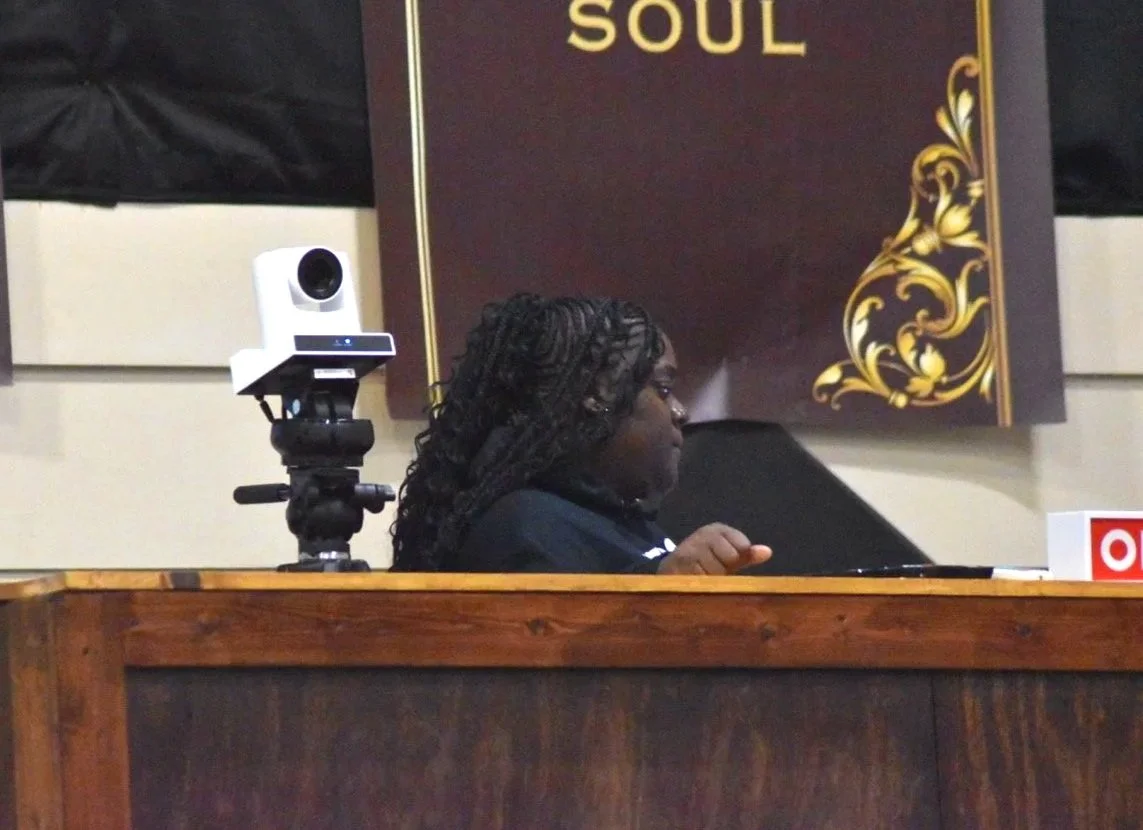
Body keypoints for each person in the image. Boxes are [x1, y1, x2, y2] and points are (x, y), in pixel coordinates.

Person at [389, 293, 773, 574]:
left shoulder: (622, 522)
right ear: (598, 395)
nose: (680, 412)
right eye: (664, 389)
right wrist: (662, 584)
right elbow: (561, 663)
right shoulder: (526, 527)